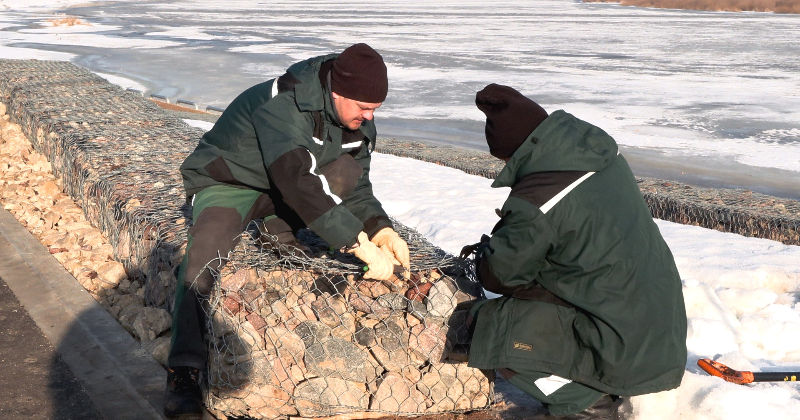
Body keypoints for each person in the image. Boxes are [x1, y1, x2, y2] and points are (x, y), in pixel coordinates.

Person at [164, 43, 411, 419]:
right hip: (230, 180)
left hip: (280, 185)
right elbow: (297, 179)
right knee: (205, 252)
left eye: (375, 108)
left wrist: (381, 230)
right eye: (364, 107)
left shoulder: (356, 118)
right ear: (337, 92)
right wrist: (356, 242)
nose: (370, 115)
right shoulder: (284, 102)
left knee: (343, 171)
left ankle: (275, 225)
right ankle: (184, 369)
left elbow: (355, 184)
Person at [461, 84, 687, 419]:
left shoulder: (538, 199)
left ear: (513, 153)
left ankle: (586, 403)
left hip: (625, 350)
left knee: (492, 327)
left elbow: (501, 276)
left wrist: (491, 249)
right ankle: (591, 377)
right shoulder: (603, 160)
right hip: (661, 333)